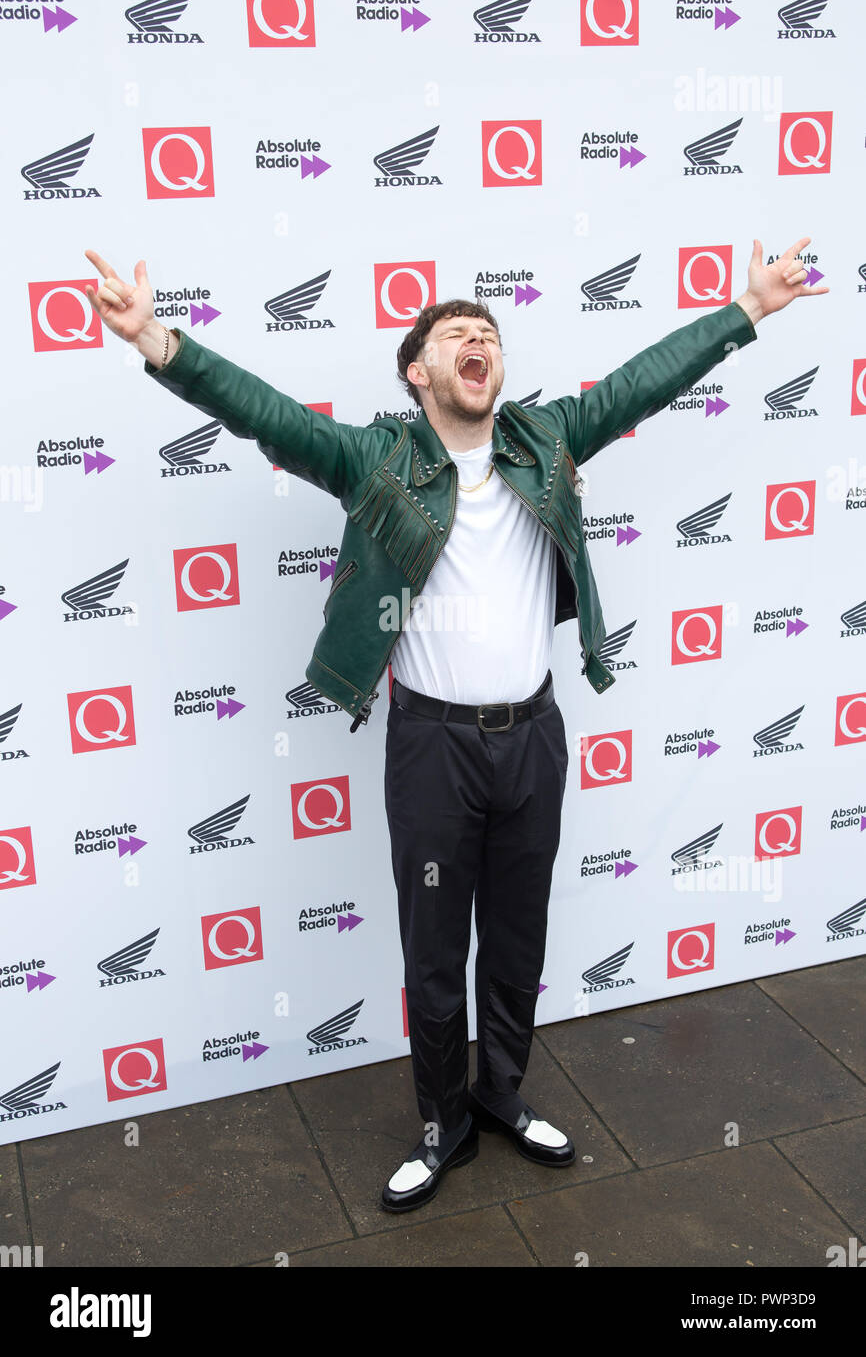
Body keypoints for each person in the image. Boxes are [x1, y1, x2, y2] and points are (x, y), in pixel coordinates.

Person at [84, 239, 826, 1213]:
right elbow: (260, 409)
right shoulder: (375, 459)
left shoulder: (547, 437)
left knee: (516, 939)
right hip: (432, 747)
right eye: (455, 335)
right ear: (419, 370)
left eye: (489, 334)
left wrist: (747, 307)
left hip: (533, 736)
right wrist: (157, 340)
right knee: (436, 953)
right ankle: (441, 1127)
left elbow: (646, 379)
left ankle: (502, 1095)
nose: (479, 342)